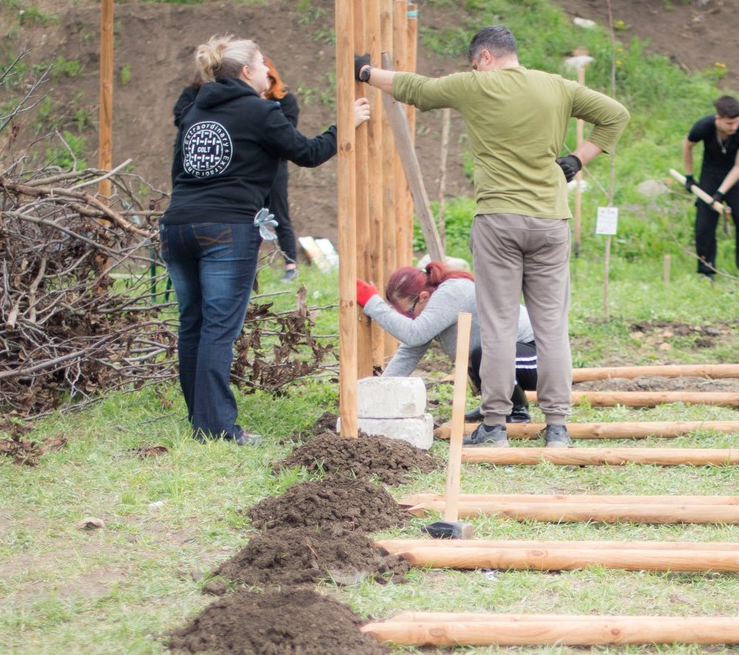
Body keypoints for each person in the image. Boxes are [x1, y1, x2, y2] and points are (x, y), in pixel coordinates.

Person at [358, 25, 628, 447]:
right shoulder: (557, 86)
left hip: (498, 221)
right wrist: (577, 160)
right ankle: (557, 427)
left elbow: (419, 89)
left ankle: (495, 426)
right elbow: (616, 115)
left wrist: (367, 73)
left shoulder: (475, 85)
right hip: (550, 221)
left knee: (500, 325)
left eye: (474, 64)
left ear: (484, 57)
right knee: (552, 326)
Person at [161, 34, 367, 442]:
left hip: (177, 225)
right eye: (262, 64)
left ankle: (201, 420)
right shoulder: (260, 111)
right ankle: (217, 428)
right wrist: (345, 125)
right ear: (246, 72)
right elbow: (307, 153)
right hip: (226, 229)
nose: (269, 71)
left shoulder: (193, 112)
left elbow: (179, 171)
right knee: (219, 328)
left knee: (193, 326)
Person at [356, 262, 537, 422]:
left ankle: (517, 412)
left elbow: (414, 334)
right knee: (481, 354)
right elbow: (409, 351)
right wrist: (379, 392)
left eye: (407, 313)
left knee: (485, 354)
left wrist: (373, 303)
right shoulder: (435, 306)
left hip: (536, 357)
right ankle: (493, 406)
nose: (407, 319)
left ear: (424, 297)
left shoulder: (451, 294)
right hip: (511, 360)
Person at [682, 94, 739, 281]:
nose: (733, 127)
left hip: (736, 176)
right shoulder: (704, 126)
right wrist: (689, 176)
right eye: (729, 124)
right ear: (718, 118)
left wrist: (720, 193)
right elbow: (687, 145)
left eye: (736, 122)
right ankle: (706, 271)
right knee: (704, 225)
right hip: (710, 173)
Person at [263, 58, 300, 280]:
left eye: (269, 78)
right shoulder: (249, 101)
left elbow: (286, 135)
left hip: (276, 165)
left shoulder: (286, 100)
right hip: (252, 166)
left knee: (280, 215)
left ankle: (290, 266)